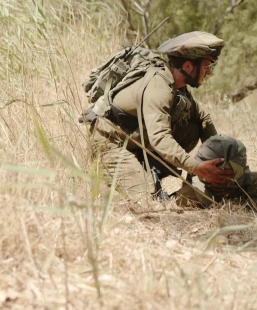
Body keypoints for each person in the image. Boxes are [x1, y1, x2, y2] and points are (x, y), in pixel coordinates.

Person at [91, 31, 234, 200]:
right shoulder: (159, 88)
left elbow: (203, 118)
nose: (209, 72)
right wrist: (196, 167)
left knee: (192, 129)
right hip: (110, 142)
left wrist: (218, 156)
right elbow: (160, 138)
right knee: (146, 199)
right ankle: (123, 168)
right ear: (188, 67)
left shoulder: (178, 86)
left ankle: (145, 165)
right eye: (205, 66)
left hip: (137, 139)